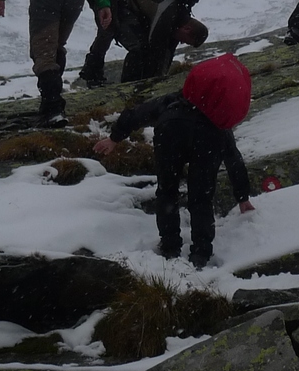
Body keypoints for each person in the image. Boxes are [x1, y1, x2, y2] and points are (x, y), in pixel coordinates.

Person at [93, 53, 254, 267]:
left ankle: (170, 247)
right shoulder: (219, 123)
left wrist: (114, 138)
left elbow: (138, 113)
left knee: (167, 191)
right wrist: (242, 197)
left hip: (170, 130)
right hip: (208, 140)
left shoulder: (174, 100)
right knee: (201, 197)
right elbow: (234, 159)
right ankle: (201, 253)